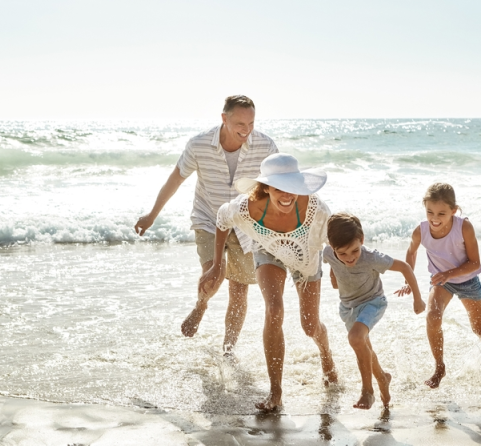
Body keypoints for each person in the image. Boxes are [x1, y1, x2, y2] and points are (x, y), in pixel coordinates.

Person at [134, 95, 278, 354]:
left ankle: (228, 350)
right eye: (240, 124)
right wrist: (152, 215)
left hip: (246, 224)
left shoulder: (265, 146)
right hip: (208, 218)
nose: (246, 130)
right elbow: (176, 179)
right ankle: (201, 304)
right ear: (224, 118)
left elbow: (281, 185)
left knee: (239, 290)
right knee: (215, 272)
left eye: (251, 123)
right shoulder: (199, 144)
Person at [199, 153, 338, 411]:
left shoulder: (317, 210)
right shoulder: (246, 208)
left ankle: (326, 356)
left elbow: (332, 240)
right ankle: (276, 392)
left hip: (306, 255)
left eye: (291, 188)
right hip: (268, 250)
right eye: (278, 188)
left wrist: (336, 270)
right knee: (274, 310)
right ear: (266, 188)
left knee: (310, 325)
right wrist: (218, 265)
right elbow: (222, 219)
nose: (286, 195)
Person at [398, 183, 481, 388]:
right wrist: (408, 280)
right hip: (441, 282)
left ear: (453, 210)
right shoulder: (421, 230)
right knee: (433, 317)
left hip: (467, 280)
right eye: (429, 212)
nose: (434, 218)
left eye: (441, 213)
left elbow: (475, 263)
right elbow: (411, 252)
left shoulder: (464, 227)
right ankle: (439, 367)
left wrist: (449, 273)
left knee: (480, 328)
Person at [323, 213, 425, 410]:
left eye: (354, 250)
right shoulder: (328, 253)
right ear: (332, 246)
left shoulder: (372, 258)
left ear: (362, 240)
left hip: (373, 302)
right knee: (363, 346)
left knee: (355, 338)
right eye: (342, 254)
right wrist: (334, 276)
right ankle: (383, 378)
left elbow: (404, 267)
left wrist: (417, 298)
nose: (350, 258)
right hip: (348, 308)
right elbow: (331, 263)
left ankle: (367, 392)